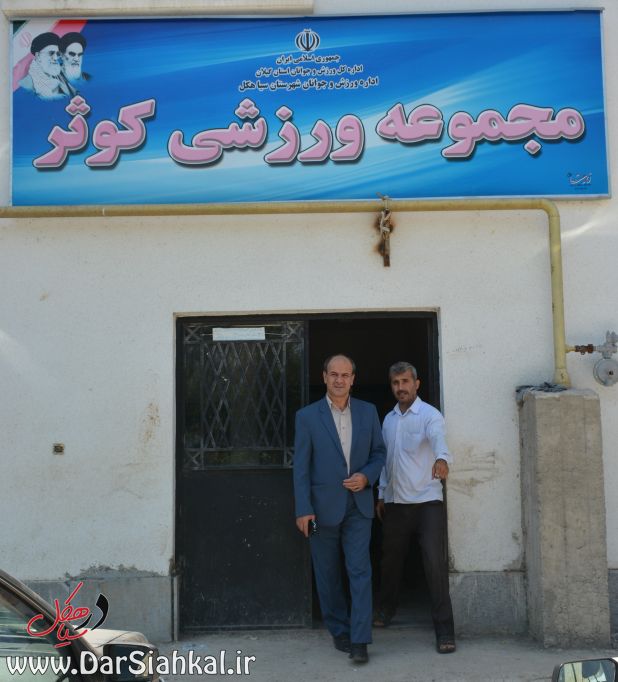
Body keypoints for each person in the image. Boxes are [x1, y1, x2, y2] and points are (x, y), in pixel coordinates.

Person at [293, 355, 386, 664]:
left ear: (353, 379)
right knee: (327, 572)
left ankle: (360, 640)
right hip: (319, 510)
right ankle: (339, 630)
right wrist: (303, 509)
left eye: (345, 375)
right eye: (334, 374)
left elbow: (379, 453)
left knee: (360, 570)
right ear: (324, 377)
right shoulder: (307, 417)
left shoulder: (368, 411)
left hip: (359, 506)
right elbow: (301, 468)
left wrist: (367, 476)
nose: (339, 380)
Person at [374, 361, 456, 653]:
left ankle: (445, 632)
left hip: (427, 504)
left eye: (405, 382)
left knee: (434, 565)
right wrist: (382, 494)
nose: (401, 388)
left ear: (416, 384)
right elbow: (386, 460)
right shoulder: (388, 420)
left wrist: (442, 459)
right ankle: (386, 610)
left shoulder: (429, 415)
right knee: (390, 562)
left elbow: (438, 439)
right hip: (396, 503)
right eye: (396, 383)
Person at [19, 32, 71, 100]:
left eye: (58, 54)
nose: (55, 58)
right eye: (51, 53)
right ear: (38, 56)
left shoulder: (61, 77)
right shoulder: (26, 84)